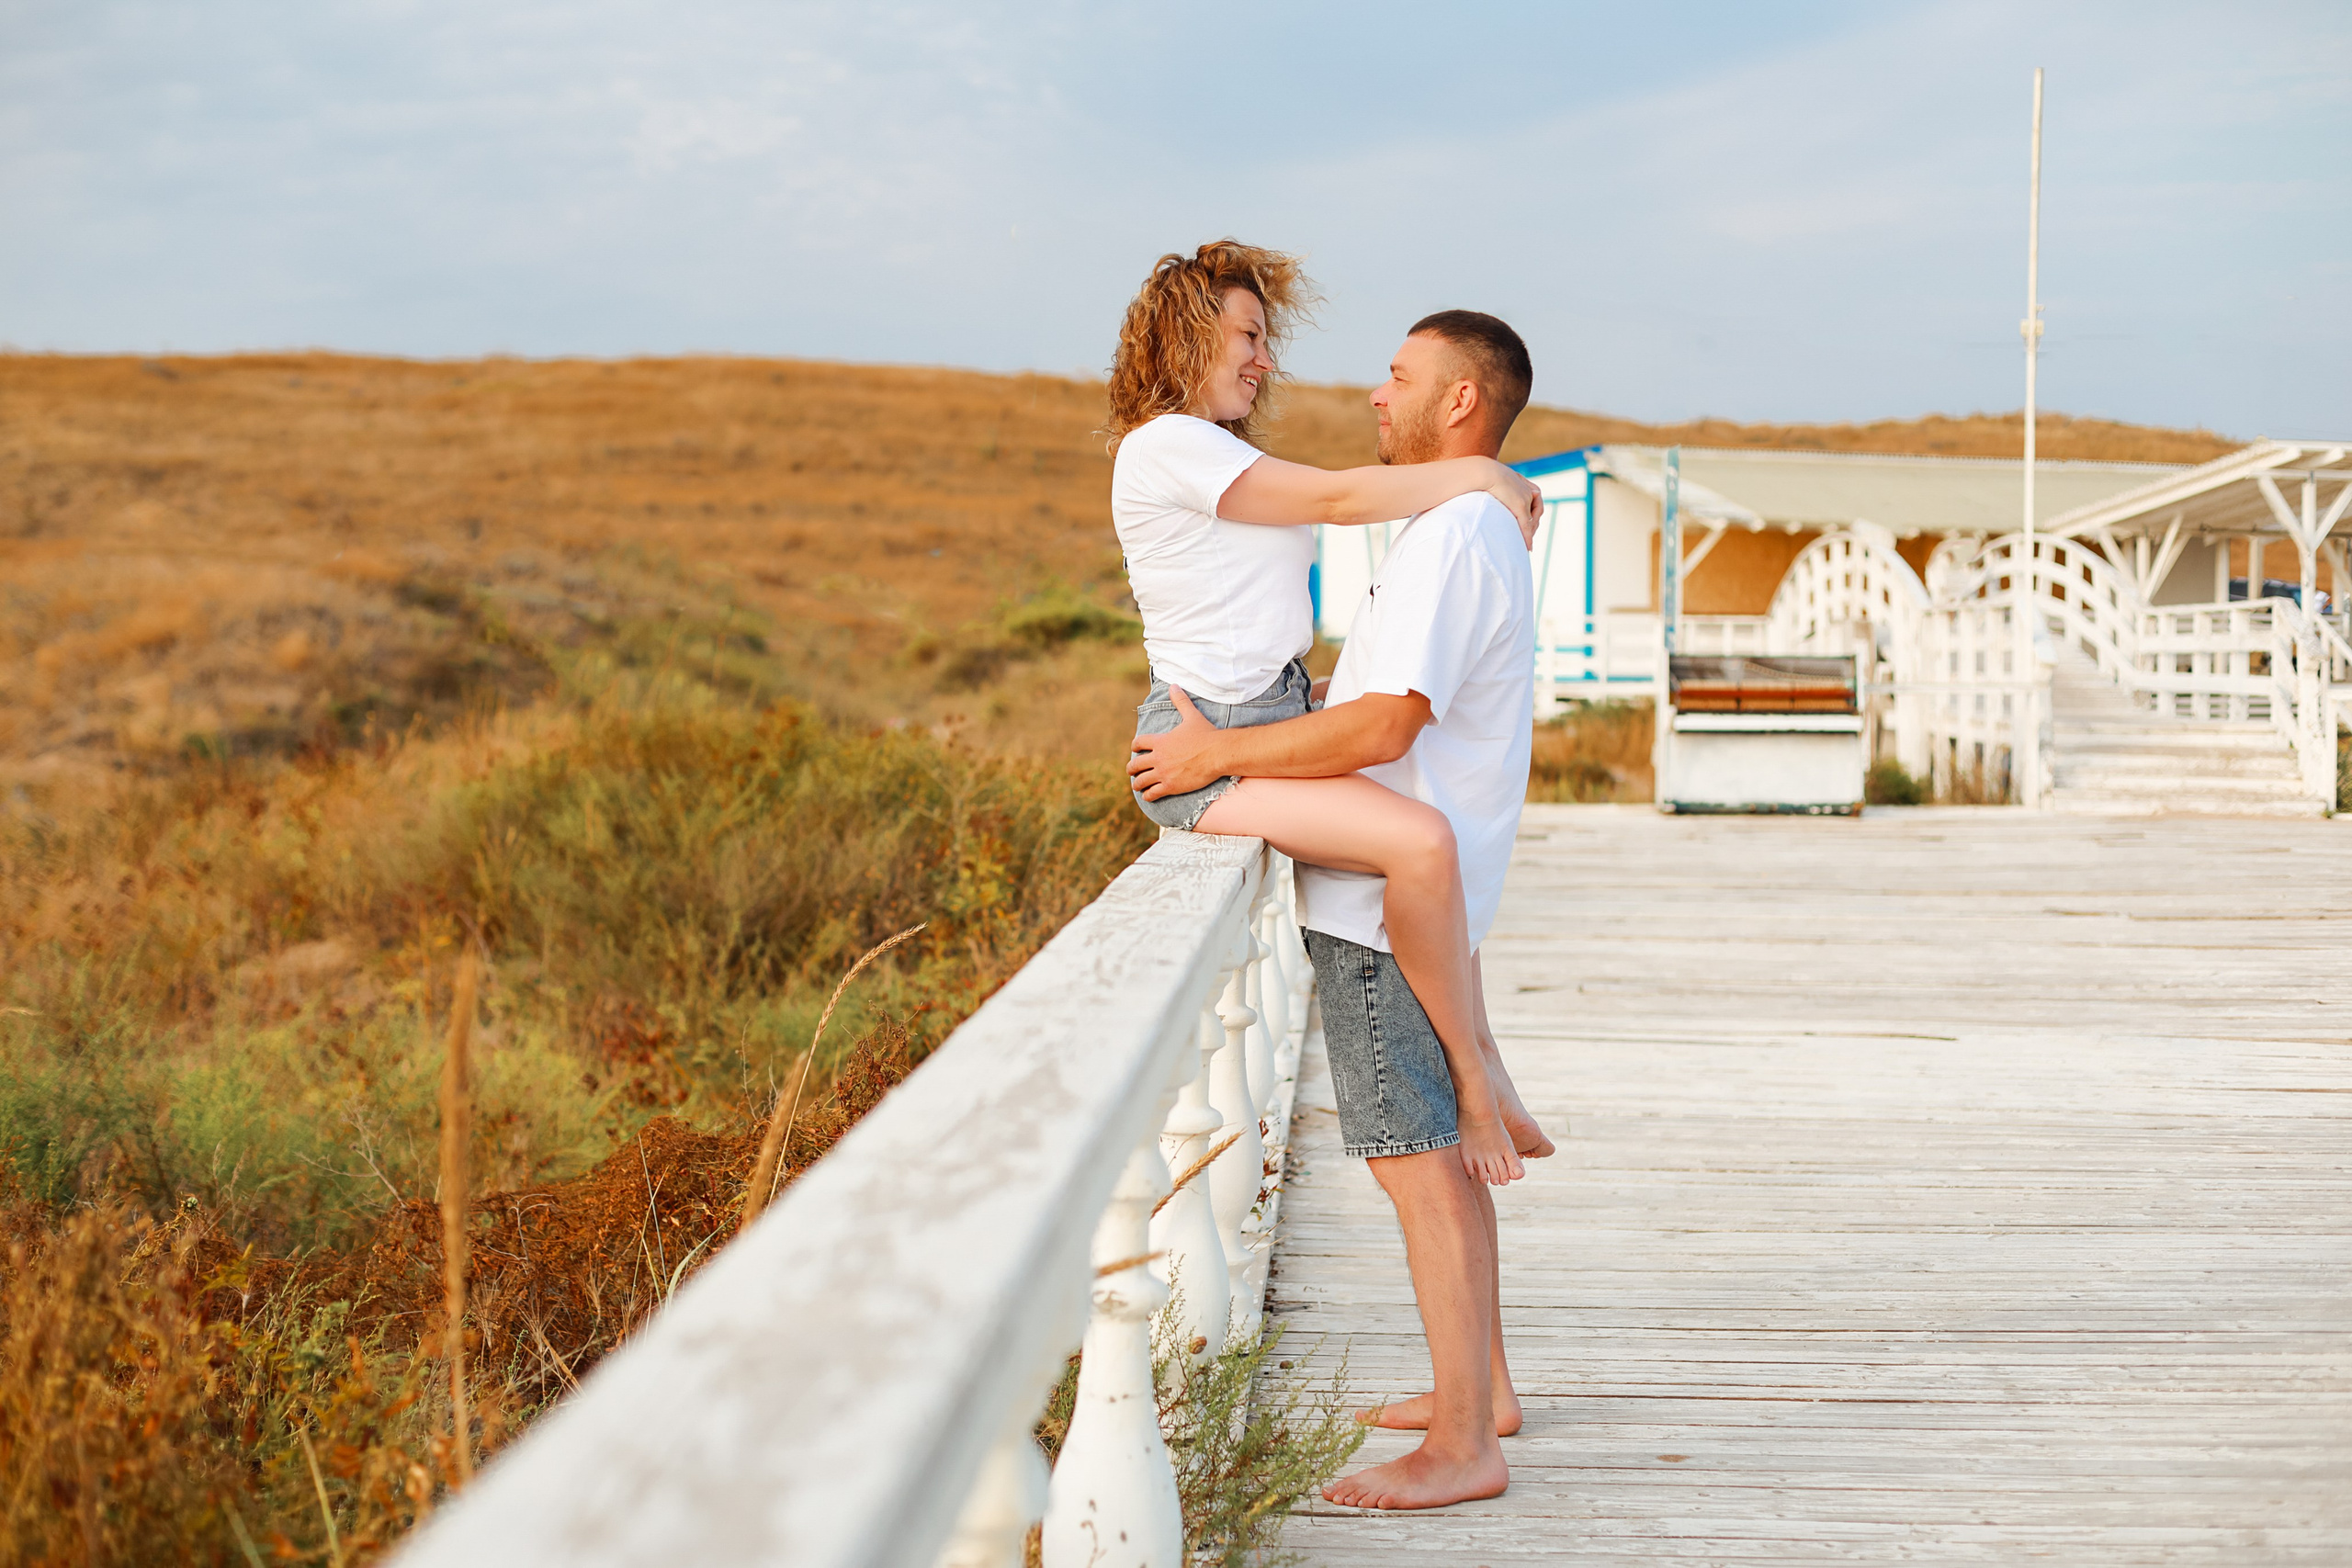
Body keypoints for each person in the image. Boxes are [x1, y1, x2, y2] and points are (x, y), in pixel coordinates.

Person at [1126, 310, 1541, 1510]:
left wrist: (1216, 753)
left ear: (1460, 402)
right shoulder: (1466, 520)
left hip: (1374, 912)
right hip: (1414, 879)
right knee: (1441, 1167)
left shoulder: (1455, 528)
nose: (1375, 392)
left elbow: (1381, 725)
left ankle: (1462, 1439)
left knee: (1424, 1166)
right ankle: (1486, 1388)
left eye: (1400, 377)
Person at [1109, 241, 1551, 1183]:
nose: (1264, 358)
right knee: (1422, 845)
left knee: (1434, 854)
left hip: (1251, 724)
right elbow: (1344, 496)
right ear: (1188, 335)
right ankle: (1476, 1082)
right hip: (1206, 742)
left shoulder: (1220, 453)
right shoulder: (1165, 445)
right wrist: (1486, 476)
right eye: (1248, 335)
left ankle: (1488, 1073)